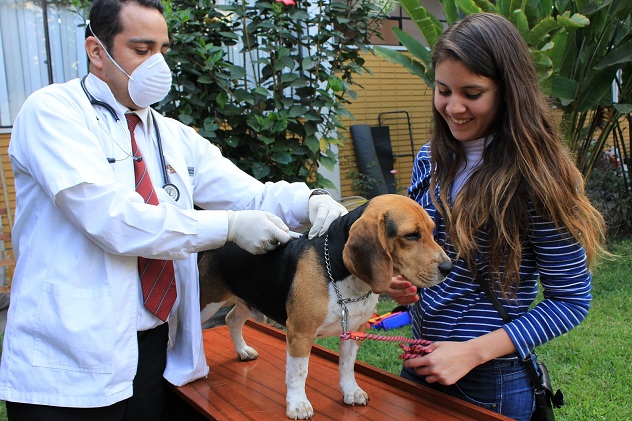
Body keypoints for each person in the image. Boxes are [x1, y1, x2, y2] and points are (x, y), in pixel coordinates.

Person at [0, 0, 348, 419]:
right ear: (97, 51)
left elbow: (249, 195)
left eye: (163, 50)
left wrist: (308, 201)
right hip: (67, 353)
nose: (158, 64)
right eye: (142, 49)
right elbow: (112, 219)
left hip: (152, 347)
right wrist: (228, 227)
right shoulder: (53, 112)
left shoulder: (171, 135)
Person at [387, 13, 607, 420]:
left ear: (508, 91)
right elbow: (419, 250)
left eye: (472, 93)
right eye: (443, 90)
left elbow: (570, 301)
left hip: (490, 383)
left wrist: (471, 353)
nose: (453, 107)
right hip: (421, 361)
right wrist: (400, 280)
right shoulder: (429, 160)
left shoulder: (537, 179)